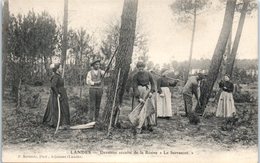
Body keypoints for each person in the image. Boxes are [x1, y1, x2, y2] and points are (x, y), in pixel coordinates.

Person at [43, 63, 70, 129]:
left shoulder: (58, 76)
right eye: (60, 68)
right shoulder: (55, 76)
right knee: (57, 108)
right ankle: (56, 123)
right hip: (57, 95)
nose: (62, 69)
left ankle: (63, 123)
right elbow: (53, 86)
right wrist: (57, 93)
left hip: (62, 93)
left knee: (63, 107)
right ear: (57, 69)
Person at [132, 61, 156, 134]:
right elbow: (134, 87)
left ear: (144, 68)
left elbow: (153, 83)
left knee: (149, 107)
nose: (141, 70)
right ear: (137, 68)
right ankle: (139, 125)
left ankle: (150, 124)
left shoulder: (148, 73)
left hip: (147, 91)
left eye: (142, 69)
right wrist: (138, 97)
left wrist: (151, 91)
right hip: (139, 91)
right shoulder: (135, 75)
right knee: (139, 108)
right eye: (139, 69)